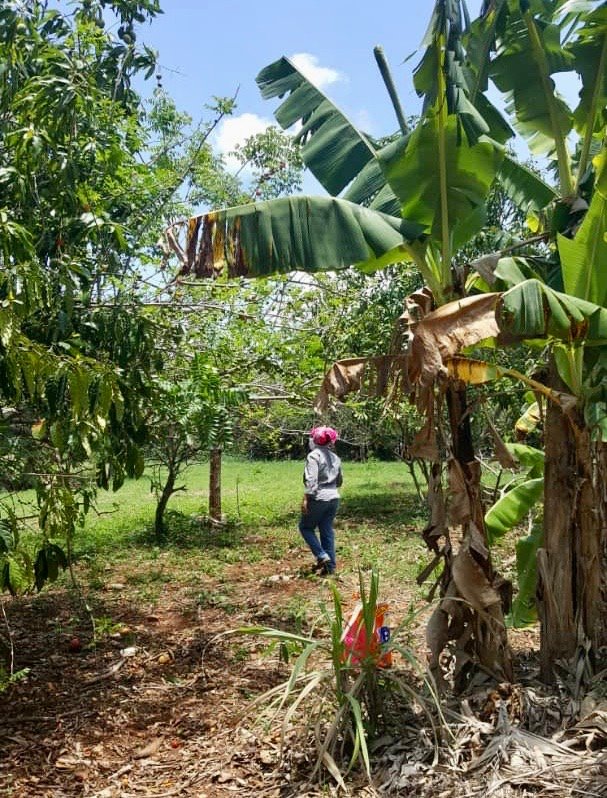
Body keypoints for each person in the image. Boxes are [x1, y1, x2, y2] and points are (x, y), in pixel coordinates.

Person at [299, 426, 343, 576]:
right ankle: (330, 567)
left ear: (315, 440)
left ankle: (321, 555)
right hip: (334, 497)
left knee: (305, 528)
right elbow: (339, 481)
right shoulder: (335, 458)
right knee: (326, 530)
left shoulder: (314, 456)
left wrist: (306, 498)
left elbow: (311, 480)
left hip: (319, 497)